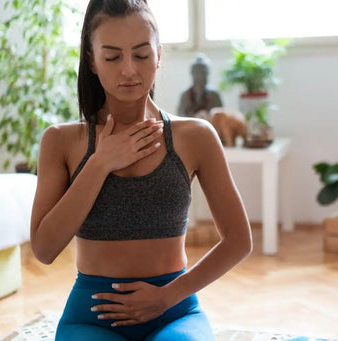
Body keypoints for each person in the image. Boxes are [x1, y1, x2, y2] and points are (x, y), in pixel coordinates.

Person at [30, 0, 252, 340]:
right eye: (113, 56)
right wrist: (100, 163)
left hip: (174, 311)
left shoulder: (196, 136)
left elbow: (238, 240)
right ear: (91, 60)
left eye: (141, 55)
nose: (129, 70)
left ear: (159, 55)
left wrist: (166, 297)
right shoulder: (61, 141)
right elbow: (44, 250)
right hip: (90, 317)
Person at [177, 53, 223, 119]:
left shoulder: (214, 94)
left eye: (204, 73)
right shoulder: (185, 94)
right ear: (192, 74)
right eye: (197, 73)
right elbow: (179, 116)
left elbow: (220, 117)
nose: (201, 77)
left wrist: (207, 115)